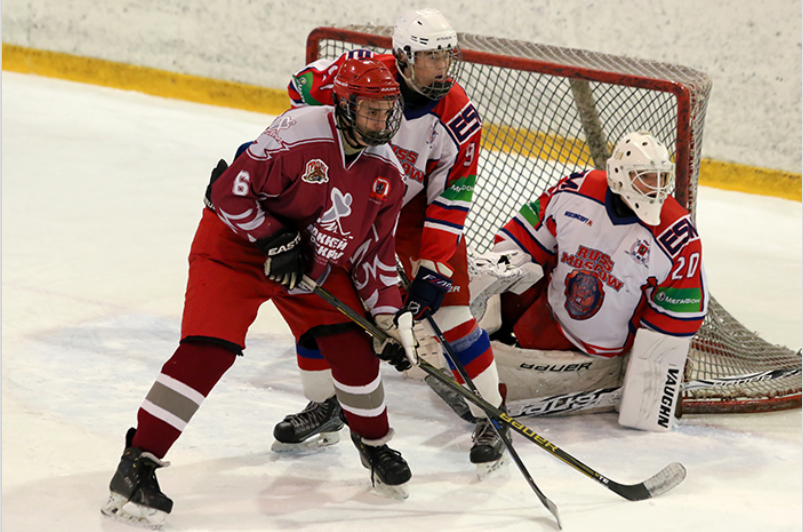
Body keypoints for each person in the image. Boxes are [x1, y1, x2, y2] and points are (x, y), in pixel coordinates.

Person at [101, 57, 418, 529]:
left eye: (386, 109)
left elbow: (374, 255)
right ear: (343, 104)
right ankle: (138, 463)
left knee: (354, 346)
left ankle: (373, 444)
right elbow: (229, 192)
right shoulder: (297, 132)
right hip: (237, 246)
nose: (380, 120)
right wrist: (273, 236)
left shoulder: (388, 174)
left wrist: (389, 317)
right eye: (369, 110)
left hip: (308, 261)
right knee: (209, 349)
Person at [277, 7, 508, 472]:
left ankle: (492, 414)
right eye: (429, 59)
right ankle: (326, 406)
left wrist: (432, 271)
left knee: (452, 314)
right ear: (401, 57)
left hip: (415, 216)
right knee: (317, 302)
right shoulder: (360, 74)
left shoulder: (458, 118)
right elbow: (300, 87)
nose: (441, 69)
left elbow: (450, 202)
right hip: (352, 201)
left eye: (446, 58)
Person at [466, 131, 709, 431]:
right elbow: (518, 243)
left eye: (661, 178)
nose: (655, 188)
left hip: (607, 356)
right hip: (549, 322)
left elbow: (676, 319)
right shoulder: (576, 191)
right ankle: (454, 335)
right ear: (619, 176)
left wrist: (648, 382)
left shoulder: (677, 236)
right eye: (645, 177)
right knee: (500, 269)